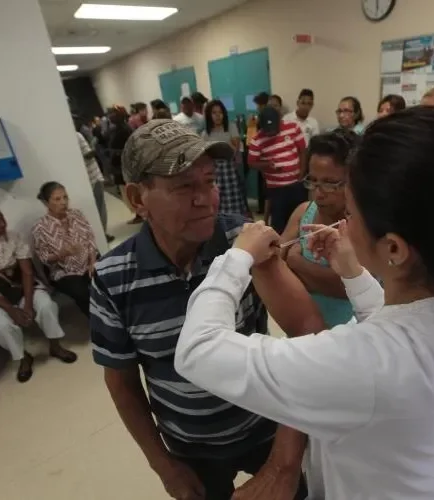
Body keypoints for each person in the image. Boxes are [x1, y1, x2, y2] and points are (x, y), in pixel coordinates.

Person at [173, 106, 434, 499]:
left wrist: (236, 258)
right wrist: (354, 273)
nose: (341, 222)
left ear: (393, 247)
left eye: (351, 214)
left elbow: (198, 350)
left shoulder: (363, 364)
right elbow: (407, 331)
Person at [90, 119, 322, 500]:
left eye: (209, 181)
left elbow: (309, 334)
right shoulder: (113, 278)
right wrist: (164, 468)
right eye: (184, 187)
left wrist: (285, 462)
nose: (206, 199)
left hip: (266, 429)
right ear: (136, 198)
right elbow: (123, 385)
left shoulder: (244, 243)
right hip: (189, 448)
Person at [0, 202, 78, 383]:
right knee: (1, 326)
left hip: (23, 288)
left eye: (2, 217)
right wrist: (11, 310)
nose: (3, 223)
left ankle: (55, 345)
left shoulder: (14, 238)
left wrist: (27, 304)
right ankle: (22, 357)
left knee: (46, 306)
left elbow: (27, 271)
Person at [280, 130, 360, 327]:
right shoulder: (303, 213)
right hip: (305, 331)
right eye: (313, 181)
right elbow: (275, 266)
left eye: (330, 183)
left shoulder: (362, 224)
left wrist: (296, 262)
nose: (319, 193)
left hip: (350, 333)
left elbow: (352, 287)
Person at [32, 182, 98, 317]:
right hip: (64, 272)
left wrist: (93, 261)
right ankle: (99, 323)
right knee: (83, 293)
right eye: (57, 199)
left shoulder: (77, 215)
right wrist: (62, 254)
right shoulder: (40, 227)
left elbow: (90, 239)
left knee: (108, 279)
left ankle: (118, 316)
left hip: (88, 262)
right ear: (46, 202)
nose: (63, 202)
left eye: (65, 197)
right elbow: (43, 258)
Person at [247, 106, 308, 234]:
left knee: (301, 221)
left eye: (274, 129)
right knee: (279, 225)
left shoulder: (293, 128)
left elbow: (303, 151)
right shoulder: (257, 140)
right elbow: (251, 162)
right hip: (276, 189)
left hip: (296, 185)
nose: (271, 133)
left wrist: (301, 174)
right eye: (268, 130)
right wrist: (267, 165)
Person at [202, 99, 251, 218]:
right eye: (214, 113)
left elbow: (235, 148)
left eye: (220, 112)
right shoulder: (205, 133)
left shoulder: (230, 127)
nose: (218, 116)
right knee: (218, 199)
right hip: (214, 171)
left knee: (234, 199)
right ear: (209, 115)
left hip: (230, 168)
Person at [73, 119, 114, 242]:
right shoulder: (77, 135)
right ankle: (102, 235)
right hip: (92, 176)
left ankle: (98, 235)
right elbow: (88, 154)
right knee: (100, 206)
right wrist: (94, 147)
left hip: (84, 177)